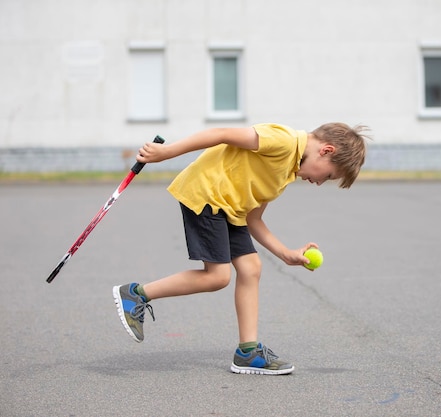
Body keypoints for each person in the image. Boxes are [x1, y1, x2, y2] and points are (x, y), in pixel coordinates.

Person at [112, 122, 369, 375]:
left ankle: (248, 353)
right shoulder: (283, 141)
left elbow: (254, 219)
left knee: (251, 268)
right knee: (218, 276)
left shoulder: (287, 172)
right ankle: (137, 293)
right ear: (327, 151)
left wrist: (286, 253)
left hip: (231, 209)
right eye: (329, 175)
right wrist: (167, 152)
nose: (321, 182)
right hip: (207, 194)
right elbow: (221, 133)